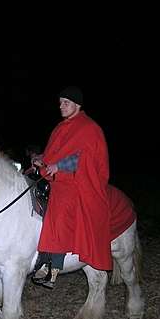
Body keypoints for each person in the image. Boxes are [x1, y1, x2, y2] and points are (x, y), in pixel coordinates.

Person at [30, 86, 112, 289]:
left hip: (78, 184)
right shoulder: (60, 128)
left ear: (77, 105)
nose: (61, 106)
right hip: (57, 180)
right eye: (60, 103)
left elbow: (85, 158)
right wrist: (41, 160)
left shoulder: (89, 129)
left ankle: (52, 268)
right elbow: (53, 154)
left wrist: (60, 166)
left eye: (66, 103)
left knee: (61, 209)